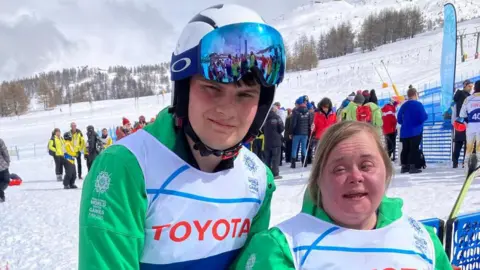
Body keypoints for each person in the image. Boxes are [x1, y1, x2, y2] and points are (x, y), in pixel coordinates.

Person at [79, 4, 285, 269]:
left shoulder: (258, 177)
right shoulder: (127, 166)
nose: (227, 110)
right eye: (212, 88)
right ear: (183, 89)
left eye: (245, 95)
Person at [233, 121, 452, 270]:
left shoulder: (422, 240)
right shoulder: (281, 247)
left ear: (386, 171)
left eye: (367, 165)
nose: (355, 177)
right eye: (339, 169)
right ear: (318, 179)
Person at [398, 87, 428, 174]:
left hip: (404, 132)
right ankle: (412, 166)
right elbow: (423, 117)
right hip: (416, 131)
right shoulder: (418, 104)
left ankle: (404, 167)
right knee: (413, 149)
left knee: (405, 148)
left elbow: (399, 119)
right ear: (415, 94)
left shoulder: (403, 105)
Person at [459, 80, 480, 173]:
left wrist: (467, 122)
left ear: (475, 88)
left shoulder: (468, 99)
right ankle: (478, 171)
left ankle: (467, 169)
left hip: (471, 126)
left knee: (469, 148)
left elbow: (462, 114)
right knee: (479, 149)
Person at [452, 80, 474, 168]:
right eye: (469, 86)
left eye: (471, 86)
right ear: (465, 86)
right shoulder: (463, 94)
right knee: (463, 142)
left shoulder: (463, 95)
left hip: (460, 121)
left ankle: (457, 162)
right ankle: (461, 162)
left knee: (460, 142)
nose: (471, 88)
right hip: (464, 121)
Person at [263, 106, 285, 179]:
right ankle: (275, 174)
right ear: (274, 110)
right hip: (276, 141)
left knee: (267, 158)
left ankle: (267, 174)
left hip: (267, 141)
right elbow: (282, 128)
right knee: (275, 158)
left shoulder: (264, 118)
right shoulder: (277, 117)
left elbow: (261, 129)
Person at [291, 96, 313, 168]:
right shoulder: (308, 112)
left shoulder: (296, 111)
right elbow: (309, 123)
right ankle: (304, 163)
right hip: (305, 133)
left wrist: (291, 132)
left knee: (294, 148)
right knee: (304, 148)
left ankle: (293, 164)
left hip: (297, 133)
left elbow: (293, 123)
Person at [0, 138, 10, 202]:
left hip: (2, 166)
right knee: (5, 181)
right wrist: (7, 162)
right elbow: (5, 152)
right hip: (2, 166)